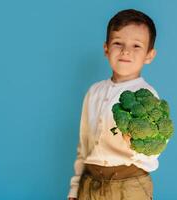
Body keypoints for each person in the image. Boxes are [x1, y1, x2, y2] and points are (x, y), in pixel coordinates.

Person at [68, 9, 162, 200]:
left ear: (149, 55)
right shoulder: (94, 91)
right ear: (106, 49)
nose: (126, 51)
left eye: (136, 46)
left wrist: (136, 145)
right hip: (90, 184)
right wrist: (75, 187)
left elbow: (155, 147)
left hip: (129, 186)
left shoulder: (147, 96)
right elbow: (83, 144)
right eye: (118, 43)